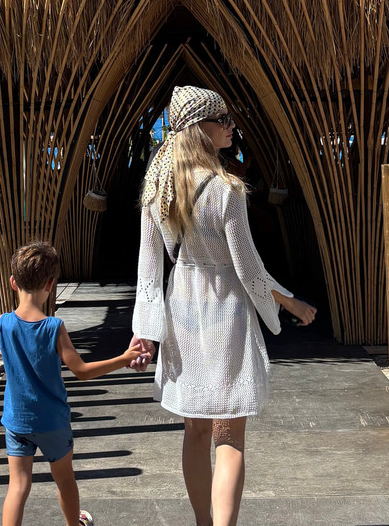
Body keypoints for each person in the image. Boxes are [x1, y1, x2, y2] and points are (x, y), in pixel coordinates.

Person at [130, 85, 317, 526]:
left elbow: (148, 270)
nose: (232, 126)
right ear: (201, 128)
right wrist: (290, 303)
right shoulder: (227, 189)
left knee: (195, 430)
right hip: (226, 314)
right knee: (229, 435)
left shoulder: (157, 189)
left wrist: (145, 331)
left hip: (182, 311)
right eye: (223, 119)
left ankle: (202, 521)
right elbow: (249, 269)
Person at [0, 241, 147, 526]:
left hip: (17, 420)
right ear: (50, 284)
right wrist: (123, 358)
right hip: (52, 422)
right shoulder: (53, 327)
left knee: (17, 486)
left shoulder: (2, 323)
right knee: (65, 480)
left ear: (13, 282)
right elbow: (81, 371)